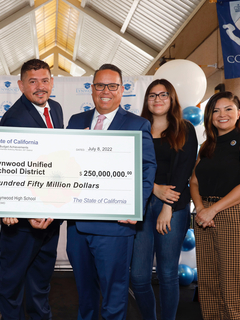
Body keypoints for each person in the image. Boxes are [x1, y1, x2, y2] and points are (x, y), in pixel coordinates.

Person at [66, 64, 157, 320]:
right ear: (92, 89)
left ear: (122, 90)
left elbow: (147, 168)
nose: (105, 91)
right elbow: (63, 166)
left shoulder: (138, 124)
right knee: (84, 296)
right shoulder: (76, 121)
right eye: (99, 85)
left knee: (114, 296)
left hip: (116, 226)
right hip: (78, 225)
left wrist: (136, 206)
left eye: (112, 86)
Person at [0, 59, 64, 320]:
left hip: (50, 217)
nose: (40, 87)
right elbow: (11, 171)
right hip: (23, 221)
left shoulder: (55, 109)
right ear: (21, 85)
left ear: (51, 82)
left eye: (44, 80)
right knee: (12, 283)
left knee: (40, 282)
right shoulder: (13, 118)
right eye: (32, 81)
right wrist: (27, 212)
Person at [130, 79, 198, 320]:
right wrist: (154, 189)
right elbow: (129, 168)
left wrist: (167, 207)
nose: (157, 99)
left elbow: (183, 171)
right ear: (146, 100)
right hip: (141, 203)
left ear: (172, 99)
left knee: (168, 273)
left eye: (163, 94)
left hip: (173, 206)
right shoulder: (136, 128)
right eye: (152, 95)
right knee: (138, 276)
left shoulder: (185, 129)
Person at [190, 91, 240, 319]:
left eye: (228, 109)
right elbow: (194, 181)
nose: (222, 114)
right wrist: (201, 209)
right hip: (204, 218)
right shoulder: (206, 146)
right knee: (208, 286)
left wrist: (212, 209)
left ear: (238, 113)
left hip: (233, 215)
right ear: (209, 116)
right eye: (216, 110)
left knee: (232, 287)